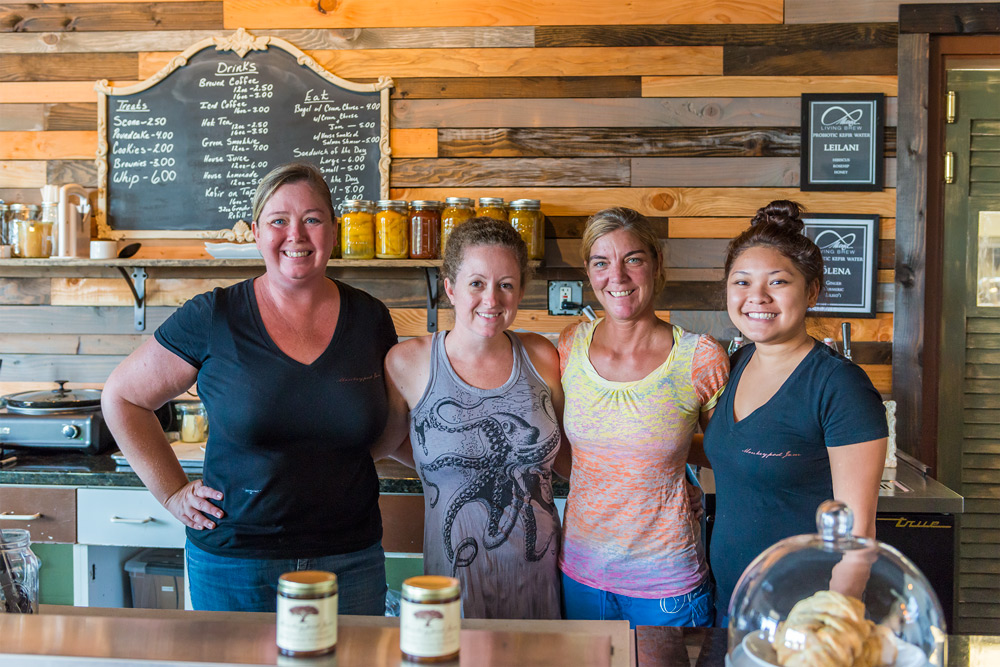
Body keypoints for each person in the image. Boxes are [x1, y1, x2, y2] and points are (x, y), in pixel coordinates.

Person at [101, 162, 397, 613]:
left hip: (350, 559)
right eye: (278, 221)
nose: (296, 235)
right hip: (234, 565)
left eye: (312, 219)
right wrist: (171, 493)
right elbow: (122, 397)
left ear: (333, 231)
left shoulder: (371, 318)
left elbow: (393, 421)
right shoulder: (214, 315)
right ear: (256, 233)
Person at [702, 200, 888, 625]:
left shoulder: (839, 386)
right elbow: (741, 450)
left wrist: (827, 625)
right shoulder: (736, 364)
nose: (757, 297)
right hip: (732, 604)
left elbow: (858, 536)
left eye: (778, 282)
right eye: (742, 282)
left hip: (804, 613)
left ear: (811, 292)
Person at [375, 217, 564, 619]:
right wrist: (450, 465)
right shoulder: (408, 363)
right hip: (453, 585)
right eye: (476, 283)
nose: (491, 299)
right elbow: (387, 444)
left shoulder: (543, 356)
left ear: (521, 292)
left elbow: (570, 450)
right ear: (450, 288)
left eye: (506, 284)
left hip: (541, 580)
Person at [556, 207, 729, 628]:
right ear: (589, 271)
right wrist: (638, 472)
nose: (617, 276)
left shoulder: (699, 357)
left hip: (667, 583)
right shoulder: (568, 346)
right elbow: (562, 446)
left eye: (632, 259)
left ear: (656, 263)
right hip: (581, 574)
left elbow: (728, 455)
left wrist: (674, 480)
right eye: (601, 262)